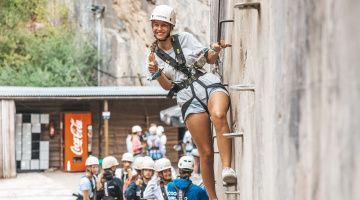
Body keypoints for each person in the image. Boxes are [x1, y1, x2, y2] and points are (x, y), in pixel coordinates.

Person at [147, 5, 237, 199]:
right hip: (187, 98)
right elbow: (166, 85)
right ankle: (213, 198)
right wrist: (156, 72)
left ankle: (227, 169)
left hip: (207, 84)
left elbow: (209, 59)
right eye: (156, 25)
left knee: (219, 115)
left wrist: (215, 49)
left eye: (163, 25)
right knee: (204, 152)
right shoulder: (154, 56)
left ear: (171, 26)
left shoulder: (185, 39)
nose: (159, 29)